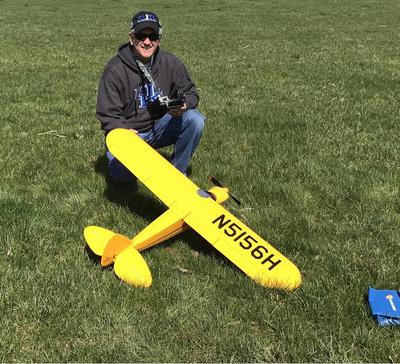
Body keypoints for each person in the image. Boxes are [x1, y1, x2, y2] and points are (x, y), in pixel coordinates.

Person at [96, 11, 205, 182]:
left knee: (195, 119)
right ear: (131, 38)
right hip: (129, 133)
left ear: (159, 40)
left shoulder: (170, 62)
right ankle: (134, 161)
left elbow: (191, 93)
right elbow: (106, 114)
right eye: (141, 36)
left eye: (153, 36)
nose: (147, 42)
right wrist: (122, 132)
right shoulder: (115, 69)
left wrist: (184, 105)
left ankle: (177, 174)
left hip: (159, 128)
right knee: (123, 177)